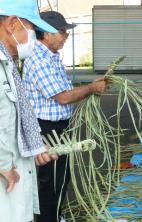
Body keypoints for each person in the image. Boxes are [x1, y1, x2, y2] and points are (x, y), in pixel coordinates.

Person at [23, 11, 107, 222]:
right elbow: (63, 97)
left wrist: (90, 88)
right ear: (47, 33)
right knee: (49, 181)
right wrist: (91, 88)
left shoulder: (51, 58)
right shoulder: (39, 60)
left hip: (59, 126)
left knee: (61, 177)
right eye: (62, 32)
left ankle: (55, 216)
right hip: (46, 129)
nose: (65, 36)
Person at [0, 0, 59, 221]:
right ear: (12, 24)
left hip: (14, 175)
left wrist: (33, 146)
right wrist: (4, 163)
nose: (33, 39)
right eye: (33, 30)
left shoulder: (8, 64)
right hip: (7, 179)